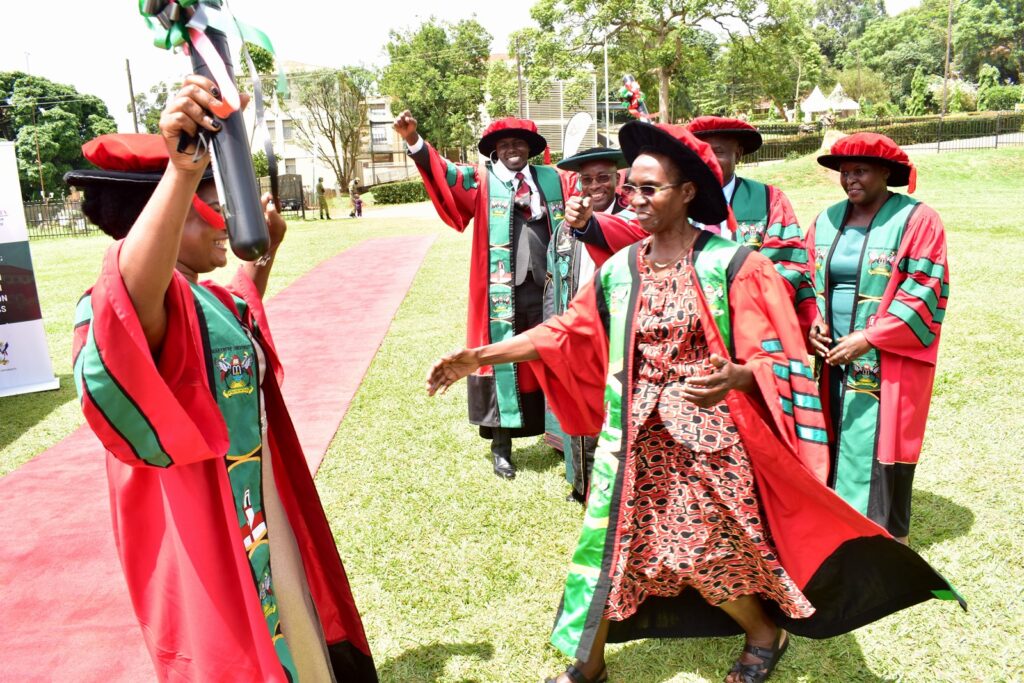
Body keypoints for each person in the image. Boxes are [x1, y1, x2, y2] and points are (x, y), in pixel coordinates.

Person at [427, 121, 964, 683]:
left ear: (686, 194)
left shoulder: (734, 266)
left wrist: (739, 377)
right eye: (629, 187)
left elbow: (781, 361)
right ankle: (587, 666)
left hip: (708, 446)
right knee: (604, 552)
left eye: (648, 189)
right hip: (631, 439)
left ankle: (763, 632)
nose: (632, 199)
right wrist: (482, 355)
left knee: (704, 554)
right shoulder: (622, 270)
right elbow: (566, 331)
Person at [67, 76, 377, 682]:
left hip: (257, 501)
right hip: (202, 522)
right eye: (211, 202)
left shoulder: (203, 297)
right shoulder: (125, 305)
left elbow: (240, 313)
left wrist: (264, 254)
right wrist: (182, 175)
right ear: (163, 211)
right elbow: (132, 303)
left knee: (294, 632)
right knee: (238, 651)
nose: (225, 220)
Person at [394, 110, 574, 479]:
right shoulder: (482, 180)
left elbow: (595, 182)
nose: (512, 149)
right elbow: (443, 172)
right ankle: (502, 448)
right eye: (504, 144)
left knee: (553, 356)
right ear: (494, 151)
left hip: (551, 288)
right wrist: (414, 141)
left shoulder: (552, 179)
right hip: (502, 292)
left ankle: (560, 439)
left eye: (519, 143)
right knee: (503, 361)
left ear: (530, 149)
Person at [807, 132, 949, 544]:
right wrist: (813, 321)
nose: (851, 179)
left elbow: (925, 286)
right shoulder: (827, 219)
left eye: (861, 171)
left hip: (887, 358)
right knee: (833, 430)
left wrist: (869, 338)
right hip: (832, 357)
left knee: (885, 437)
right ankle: (836, 525)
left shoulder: (917, 219)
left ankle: (885, 538)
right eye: (845, 172)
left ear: (886, 172)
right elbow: (808, 279)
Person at [546, 147, 631, 501]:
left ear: (617, 179)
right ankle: (581, 484)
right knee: (580, 408)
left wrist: (590, 224)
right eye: (587, 179)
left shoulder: (632, 220)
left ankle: (618, 486)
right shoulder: (563, 228)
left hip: (617, 332)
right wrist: (554, 327)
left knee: (615, 411)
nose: (595, 186)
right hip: (575, 329)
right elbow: (553, 278)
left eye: (603, 178)